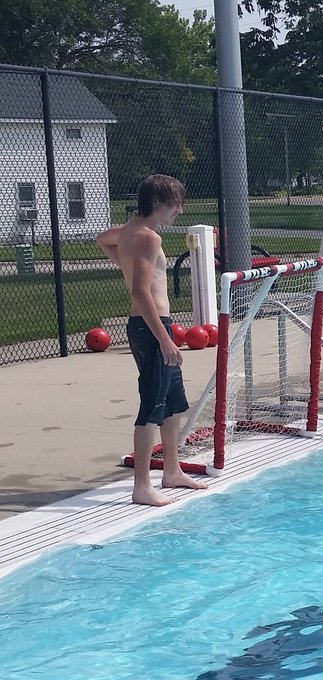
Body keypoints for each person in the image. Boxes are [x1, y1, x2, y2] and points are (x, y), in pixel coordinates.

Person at [95, 174, 208, 507]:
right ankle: (141, 487)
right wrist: (165, 339)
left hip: (152, 326)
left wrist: (122, 263)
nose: (179, 211)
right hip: (152, 327)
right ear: (159, 203)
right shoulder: (148, 238)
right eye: (175, 204)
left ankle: (171, 470)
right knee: (152, 405)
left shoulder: (130, 231)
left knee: (172, 401)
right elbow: (140, 292)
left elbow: (103, 239)